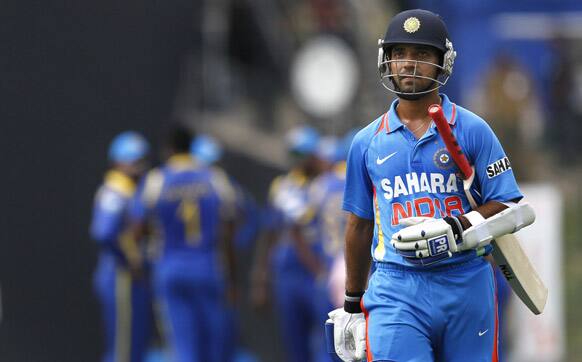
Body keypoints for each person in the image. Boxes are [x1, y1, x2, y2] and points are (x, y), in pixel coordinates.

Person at [328, 9, 526, 362]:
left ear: (442, 62)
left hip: (465, 281)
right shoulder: (366, 141)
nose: (409, 64)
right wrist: (352, 303)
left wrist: (456, 225)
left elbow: (507, 204)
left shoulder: (473, 129)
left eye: (421, 55)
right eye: (400, 54)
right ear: (386, 60)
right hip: (396, 287)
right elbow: (358, 225)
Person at [130, 125, 237, 362]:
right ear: (192, 147)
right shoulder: (214, 178)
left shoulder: (157, 180)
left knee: (183, 347)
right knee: (213, 345)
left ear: (169, 149)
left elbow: (137, 229)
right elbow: (231, 225)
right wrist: (231, 277)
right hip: (208, 267)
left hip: (171, 269)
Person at [251, 125, 326, 362]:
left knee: (328, 340)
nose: (298, 160)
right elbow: (269, 234)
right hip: (287, 273)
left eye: (303, 154)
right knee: (295, 343)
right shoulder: (282, 186)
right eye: (294, 154)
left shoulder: (329, 184)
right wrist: (261, 279)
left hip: (318, 271)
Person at [89, 131, 153, 362]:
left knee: (135, 347)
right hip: (120, 277)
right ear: (118, 162)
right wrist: (129, 260)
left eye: (142, 160)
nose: (140, 167)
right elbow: (104, 232)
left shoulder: (135, 191)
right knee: (123, 350)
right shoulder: (115, 191)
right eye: (134, 161)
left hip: (131, 278)